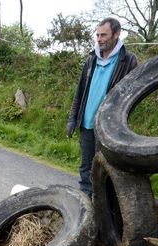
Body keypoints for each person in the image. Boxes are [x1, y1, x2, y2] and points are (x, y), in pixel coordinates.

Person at [66, 17, 137, 197]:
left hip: (107, 126)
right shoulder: (91, 59)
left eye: (103, 35)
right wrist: (72, 119)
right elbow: (80, 91)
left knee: (103, 170)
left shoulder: (128, 60)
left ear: (117, 34)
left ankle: (102, 208)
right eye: (97, 35)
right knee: (85, 166)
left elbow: (132, 96)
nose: (99, 39)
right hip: (86, 123)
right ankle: (85, 204)